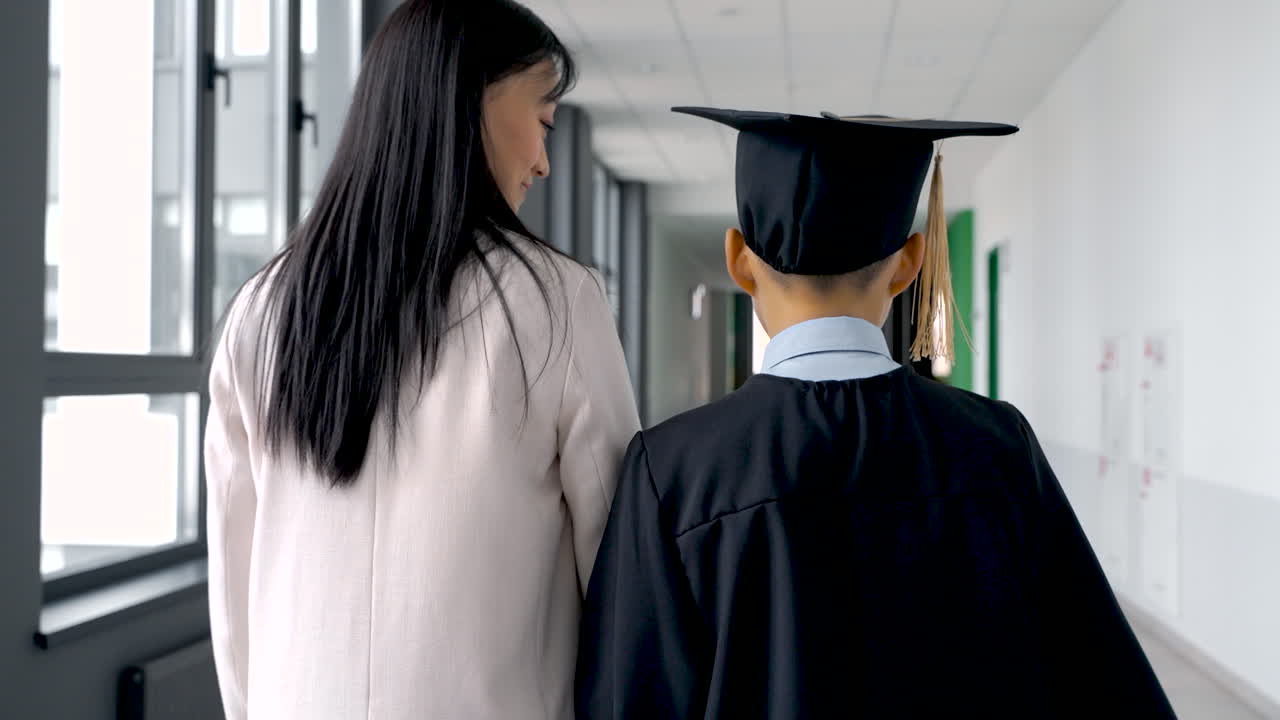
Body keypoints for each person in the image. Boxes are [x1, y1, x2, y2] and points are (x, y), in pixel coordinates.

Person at [576, 107, 1174, 719]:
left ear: (738, 259)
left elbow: (630, 698)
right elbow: (1102, 683)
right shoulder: (997, 447)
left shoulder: (672, 469)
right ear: (911, 262)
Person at [204, 2, 639, 718]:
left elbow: (234, 578)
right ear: (472, 102)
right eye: (543, 121)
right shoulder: (557, 301)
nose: (542, 161)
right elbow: (618, 565)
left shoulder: (261, 311)